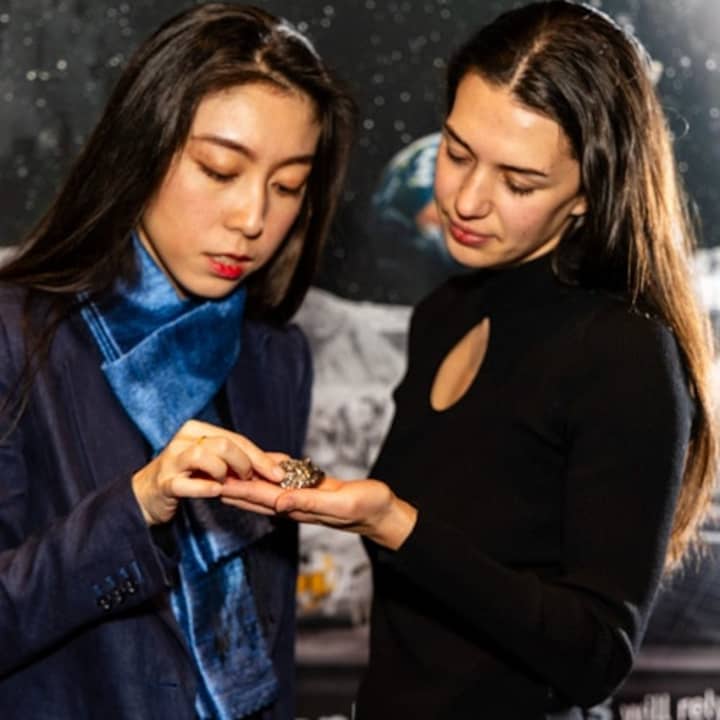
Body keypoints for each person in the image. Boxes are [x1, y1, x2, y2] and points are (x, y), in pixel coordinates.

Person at [221, 2, 718, 718]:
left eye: (519, 183)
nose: (467, 200)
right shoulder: (443, 315)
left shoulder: (621, 350)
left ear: (588, 191)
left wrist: (399, 526)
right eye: (456, 153)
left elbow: (596, 655)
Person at [0, 4, 354, 719]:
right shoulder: (16, 334)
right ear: (140, 148)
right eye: (220, 170)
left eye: (288, 185)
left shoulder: (275, 355)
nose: (252, 218)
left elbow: (272, 633)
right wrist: (135, 507)